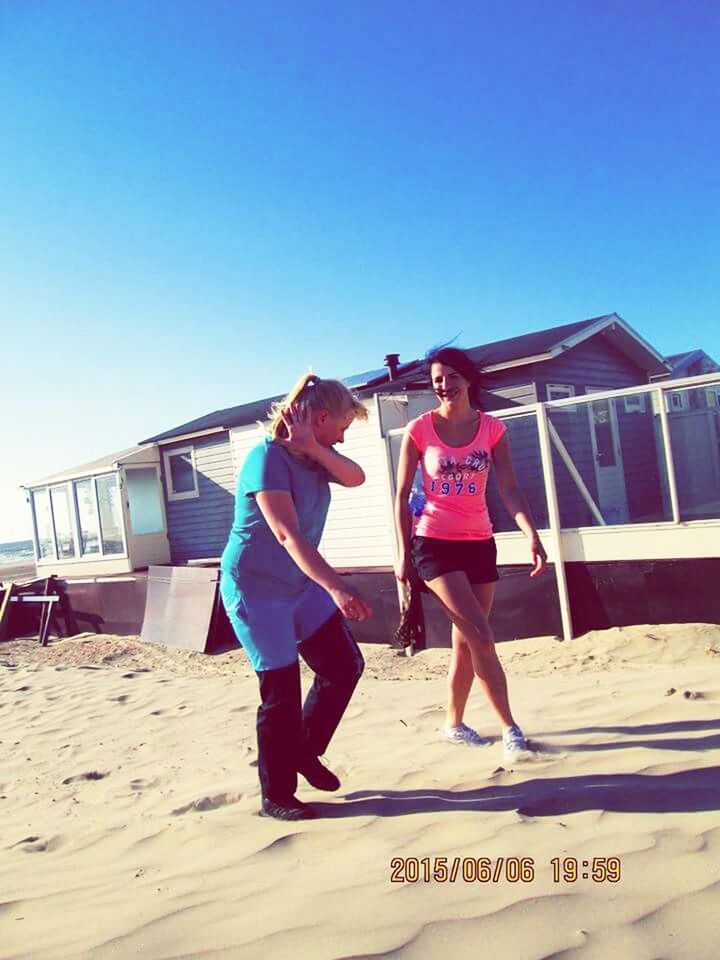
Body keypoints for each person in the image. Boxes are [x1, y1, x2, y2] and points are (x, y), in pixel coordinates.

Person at [220, 373, 373, 821]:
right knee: (281, 693)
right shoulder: (264, 459)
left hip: (298, 585)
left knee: (343, 666)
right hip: (255, 588)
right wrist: (337, 587)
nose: (344, 435)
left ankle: (305, 752)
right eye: (342, 425)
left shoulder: (315, 458)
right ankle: (277, 796)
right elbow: (287, 535)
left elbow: (357, 477)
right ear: (321, 417)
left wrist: (312, 447)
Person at [393, 347, 547, 760]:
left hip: (480, 541)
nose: (444, 386)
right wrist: (402, 554)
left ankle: (453, 723)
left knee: (466, 641)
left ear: (468, 379)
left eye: (451, 377)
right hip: (434, 543)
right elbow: (402, 494)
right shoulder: (420, 430)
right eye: (437, 379)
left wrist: (531, 533)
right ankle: (510, 728)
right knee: (481, 634)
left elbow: (509, 489)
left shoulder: (493, 430)